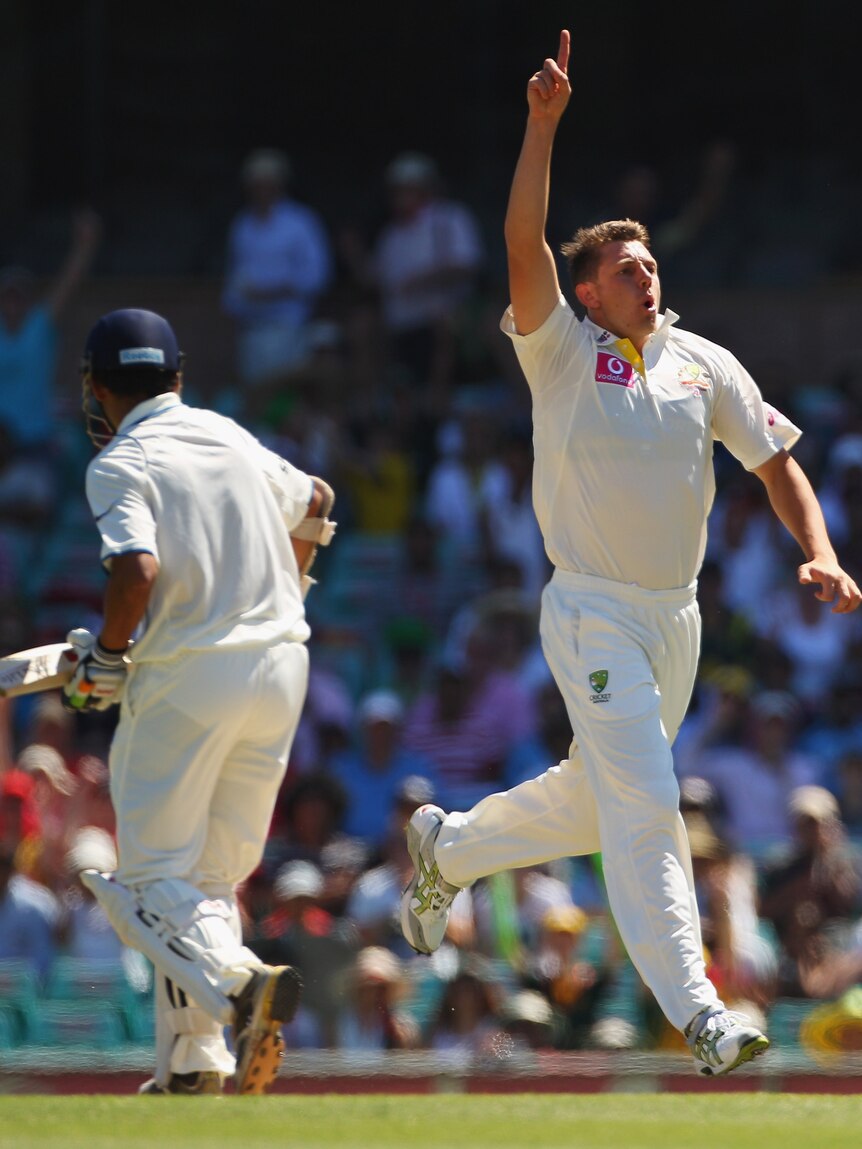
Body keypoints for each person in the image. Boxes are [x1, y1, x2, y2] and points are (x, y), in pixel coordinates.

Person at [399, 28, 862, 1079]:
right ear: (590, 294)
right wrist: (540, 126)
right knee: (648, 799)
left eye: (650, 263)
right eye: (623, 268)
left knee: (597, 793)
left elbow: (776, 462)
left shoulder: (705, 363)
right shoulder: (561, 353)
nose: (644, 276)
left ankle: (452, 849)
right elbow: (524, 244)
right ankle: (699, 1012)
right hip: (592, 609)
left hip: (674, 619)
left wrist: (821, 551)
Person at [60, 307, 336, 1096]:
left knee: (145, 886)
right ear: (177, 376)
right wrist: (290, 583)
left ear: (98, 386)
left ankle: (243, 982)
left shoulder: (122, 461)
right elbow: (315, 498)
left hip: (188, 676)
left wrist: (109, 657)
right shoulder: (231, 437)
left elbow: (136, 572)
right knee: (205, 882)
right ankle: (194, 1062)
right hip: (283, 669)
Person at [221, 148, 333, 416]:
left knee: (287, 406)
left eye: (267, 183)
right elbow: (234, 287)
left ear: (279, 184)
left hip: (289, 332)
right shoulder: (243, 225)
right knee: (256, 410)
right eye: (255, 184)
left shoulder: (300, 222)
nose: (261, 190)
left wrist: (271, 292)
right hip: (251, 333)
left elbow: (317, 277)